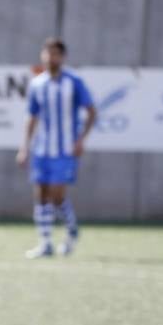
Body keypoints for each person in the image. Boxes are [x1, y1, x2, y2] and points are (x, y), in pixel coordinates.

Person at [16, 38, 97, 259]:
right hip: (42, 148)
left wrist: (81, 140)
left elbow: (92, 112)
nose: (50, 58)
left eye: (54, 54)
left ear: (62, 57)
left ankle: (71, 230)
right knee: (40, 193)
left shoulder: (74, 81)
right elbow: (32, 117)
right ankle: (45, 243)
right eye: (47, 53)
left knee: (57, 195)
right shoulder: (37, 84)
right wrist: (25, 147)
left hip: (65, 149)